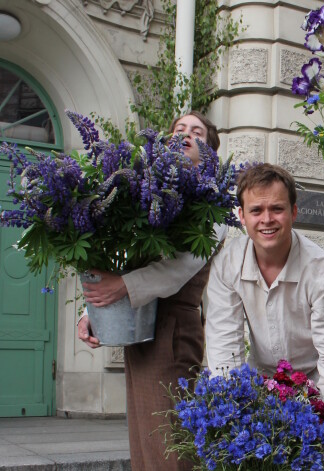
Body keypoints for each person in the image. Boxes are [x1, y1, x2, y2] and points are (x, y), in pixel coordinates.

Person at [78, 111, 226, 471]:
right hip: (136, 326)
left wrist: (120, 288)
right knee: (145, 441)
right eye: (179, 129)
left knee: (170, 442)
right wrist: (90, 312)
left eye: (198, 132)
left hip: (173, 329)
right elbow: (125, 258)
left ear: (211, 150)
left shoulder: (216, 207)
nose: (187, 135)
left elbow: (177, 271)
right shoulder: (148, 193)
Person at [205, 163, 324, 411]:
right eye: (256, 210)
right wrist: (230, 411)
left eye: (277, 209)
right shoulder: (227, 265)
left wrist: (321, 419)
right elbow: (224, 348)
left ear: (294, 212)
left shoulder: (320, 270)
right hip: (261, 382)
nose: (267, 219)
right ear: (242, 215)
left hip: (322, 380)